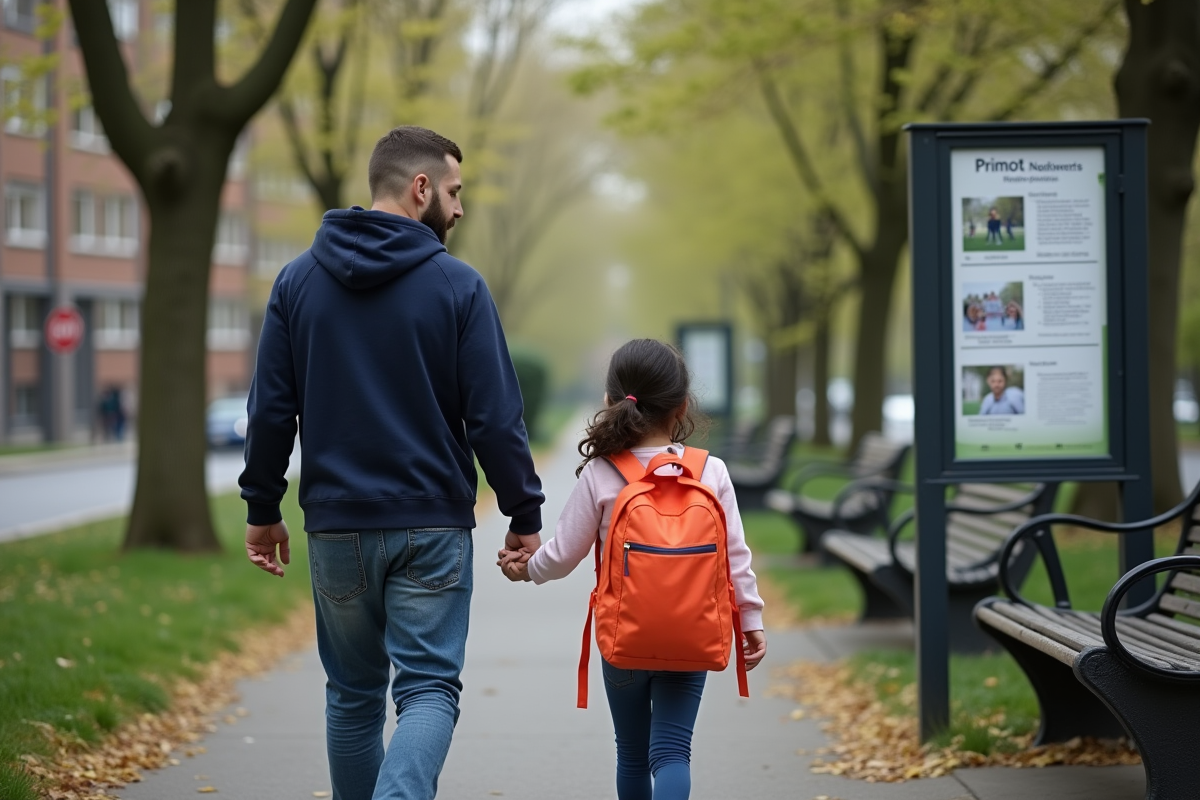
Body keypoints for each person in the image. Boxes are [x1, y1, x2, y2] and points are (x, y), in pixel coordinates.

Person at [239, 126, 545, 800]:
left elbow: (268, 413)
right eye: (455, 192)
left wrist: (263, 509)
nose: (460, 209)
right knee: (429, 690)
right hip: (431, 525)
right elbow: (495, 417)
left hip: (337, 527)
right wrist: (524, 509)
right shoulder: (459, 286)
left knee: (352, 695)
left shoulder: (296, 283)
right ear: (420, 187)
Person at [497, 339, 767, 800]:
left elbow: (562, 555)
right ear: (682, 406)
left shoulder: (603, 473)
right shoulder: (711, 471)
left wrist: (527, 569)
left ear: (611, 401)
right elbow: (735, 557)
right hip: (692, 634)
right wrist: (752, 619)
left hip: (624, 637)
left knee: (632, 754)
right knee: (673, 752)